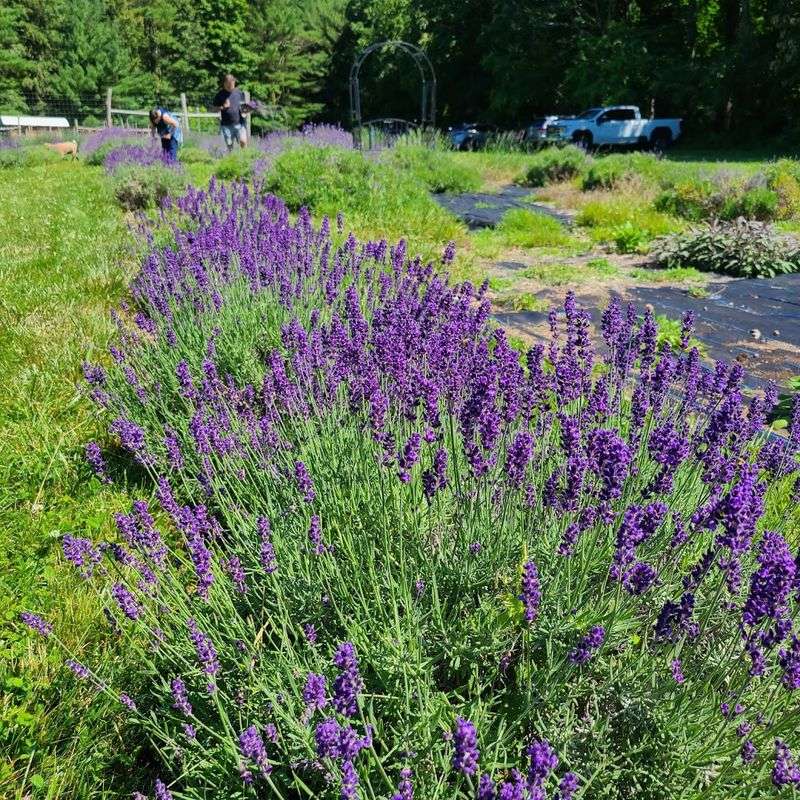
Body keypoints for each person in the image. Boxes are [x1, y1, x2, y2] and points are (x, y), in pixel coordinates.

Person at [212, 74, 249, 152]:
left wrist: (246, 110)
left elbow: (243, 106)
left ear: (234, 82)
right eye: (228, 85)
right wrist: (223, 107)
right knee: (230, 146)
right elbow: (213, 109)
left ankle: (245, 158)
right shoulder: (220, 95)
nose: (230, 87)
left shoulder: (239, 93)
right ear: (224, 83)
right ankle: (232, 161)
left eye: (232, 85)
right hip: (226, 125)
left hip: (240, 123)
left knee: (243, 142)